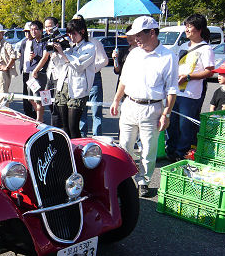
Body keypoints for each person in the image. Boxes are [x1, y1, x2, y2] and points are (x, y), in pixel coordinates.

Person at [110, 16, 178, 197]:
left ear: (153, 33)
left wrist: (167, 113)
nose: (136, 39)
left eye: (140, 35)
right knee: (124, 146)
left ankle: (144, 180)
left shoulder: (168, 56)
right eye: (135, 35)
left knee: (148, 148)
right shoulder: (134, 54)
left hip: (152, 108)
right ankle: (123, 180)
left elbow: (172, 89)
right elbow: (123, 80)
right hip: (130, 104)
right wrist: (116, 100)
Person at [166, 14, 215, 162]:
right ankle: (171, 150)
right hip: (176, 92)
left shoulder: (206, 49)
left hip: (191, 94)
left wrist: (189, 77)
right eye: (185, 26)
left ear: (199, 29)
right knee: (172, 123)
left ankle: (182, 154)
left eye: (189, 26)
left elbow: (210, 71)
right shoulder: (182, 46)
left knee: (185, 126)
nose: (186, 29)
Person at [52, 17, 96, 139]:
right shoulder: (70, 47)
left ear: (82, 31)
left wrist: (63, 53)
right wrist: (56, 53)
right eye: (69, 34)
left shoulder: (89, 47)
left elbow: (79, 66)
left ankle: (77, 152)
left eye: (74, 33)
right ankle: (67, 152)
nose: (71, 37)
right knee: (64, 126)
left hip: (77, 89)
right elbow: (60, 65)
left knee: (73, 126)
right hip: (63, 86)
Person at [71, 15, 108, 137]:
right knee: (81, 111)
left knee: (96, 110)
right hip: (79, 78)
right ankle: (83, 137)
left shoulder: (94, 42)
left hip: (94, 78)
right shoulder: (73, 44)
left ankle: (97, 137)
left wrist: (92, 68)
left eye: (78, 22)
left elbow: (105, 60)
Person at [32, 16, 61, 126]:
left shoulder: (61, 38)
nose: (48, 28)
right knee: (47, 99)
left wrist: (36, 70)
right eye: (46, 26)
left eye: (50, 26)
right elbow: (46, 56)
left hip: (59, 75)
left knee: (57, 104)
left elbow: (45, 57)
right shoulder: (48, 39)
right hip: (50, 74)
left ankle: (57, 127)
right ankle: (52, 125)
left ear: (56, 26)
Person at [28, 20, 48, 122]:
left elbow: (45, 57)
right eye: (31, 29)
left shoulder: (45, 41)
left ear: (41, 30)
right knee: (30, 98)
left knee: (39, 99)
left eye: (36, 29)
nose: (33, 31)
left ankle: (39, 120)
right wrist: (31, 58)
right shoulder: (32, 42)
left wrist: (36, 70)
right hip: (32, 72)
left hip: (41, 73)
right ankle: (40, 118)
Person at [0, 23, 17, 95]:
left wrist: (7, 67)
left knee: (3, 95)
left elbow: (13, 56)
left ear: (2, 33)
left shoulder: (6, 44)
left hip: (2, 73)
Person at [18, 21, 36, 118]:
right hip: (25, 70)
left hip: (34, 71)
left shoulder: (37, 42)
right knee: (25, 92)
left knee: (34, 92)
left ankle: (36, 113)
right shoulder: (24, 42)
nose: (27, 34)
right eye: (26, 32)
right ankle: (27, 112)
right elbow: (20, 53)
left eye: (29, 31)